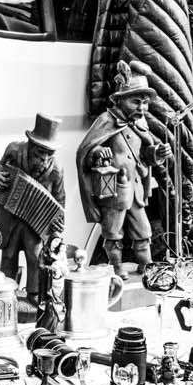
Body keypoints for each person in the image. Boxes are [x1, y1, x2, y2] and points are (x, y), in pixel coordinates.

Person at [76, 67, 160, 272]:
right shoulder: (106, 121)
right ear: (120, 100)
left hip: (136, 189)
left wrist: (156, 153)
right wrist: (98, 152)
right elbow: (86, 150)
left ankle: (146, 267)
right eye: (136, 102)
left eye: (145, 102)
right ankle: (116, 267)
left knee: (143, 231)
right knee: (113, 232)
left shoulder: (141, 123)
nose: (141, 108)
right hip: (115, 189)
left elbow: (144, 155)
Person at [0, 113, 66, 305]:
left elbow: (60, 202)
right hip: (10, 217)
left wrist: (57, 227)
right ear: (31, 145)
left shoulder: (56, 170)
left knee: (35, 255)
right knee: (9, 255)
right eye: (40, 153)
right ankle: (5, 294)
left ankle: (34, 295)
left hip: (35, 223)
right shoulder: (14, 150)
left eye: (49, 154)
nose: (44, 159)